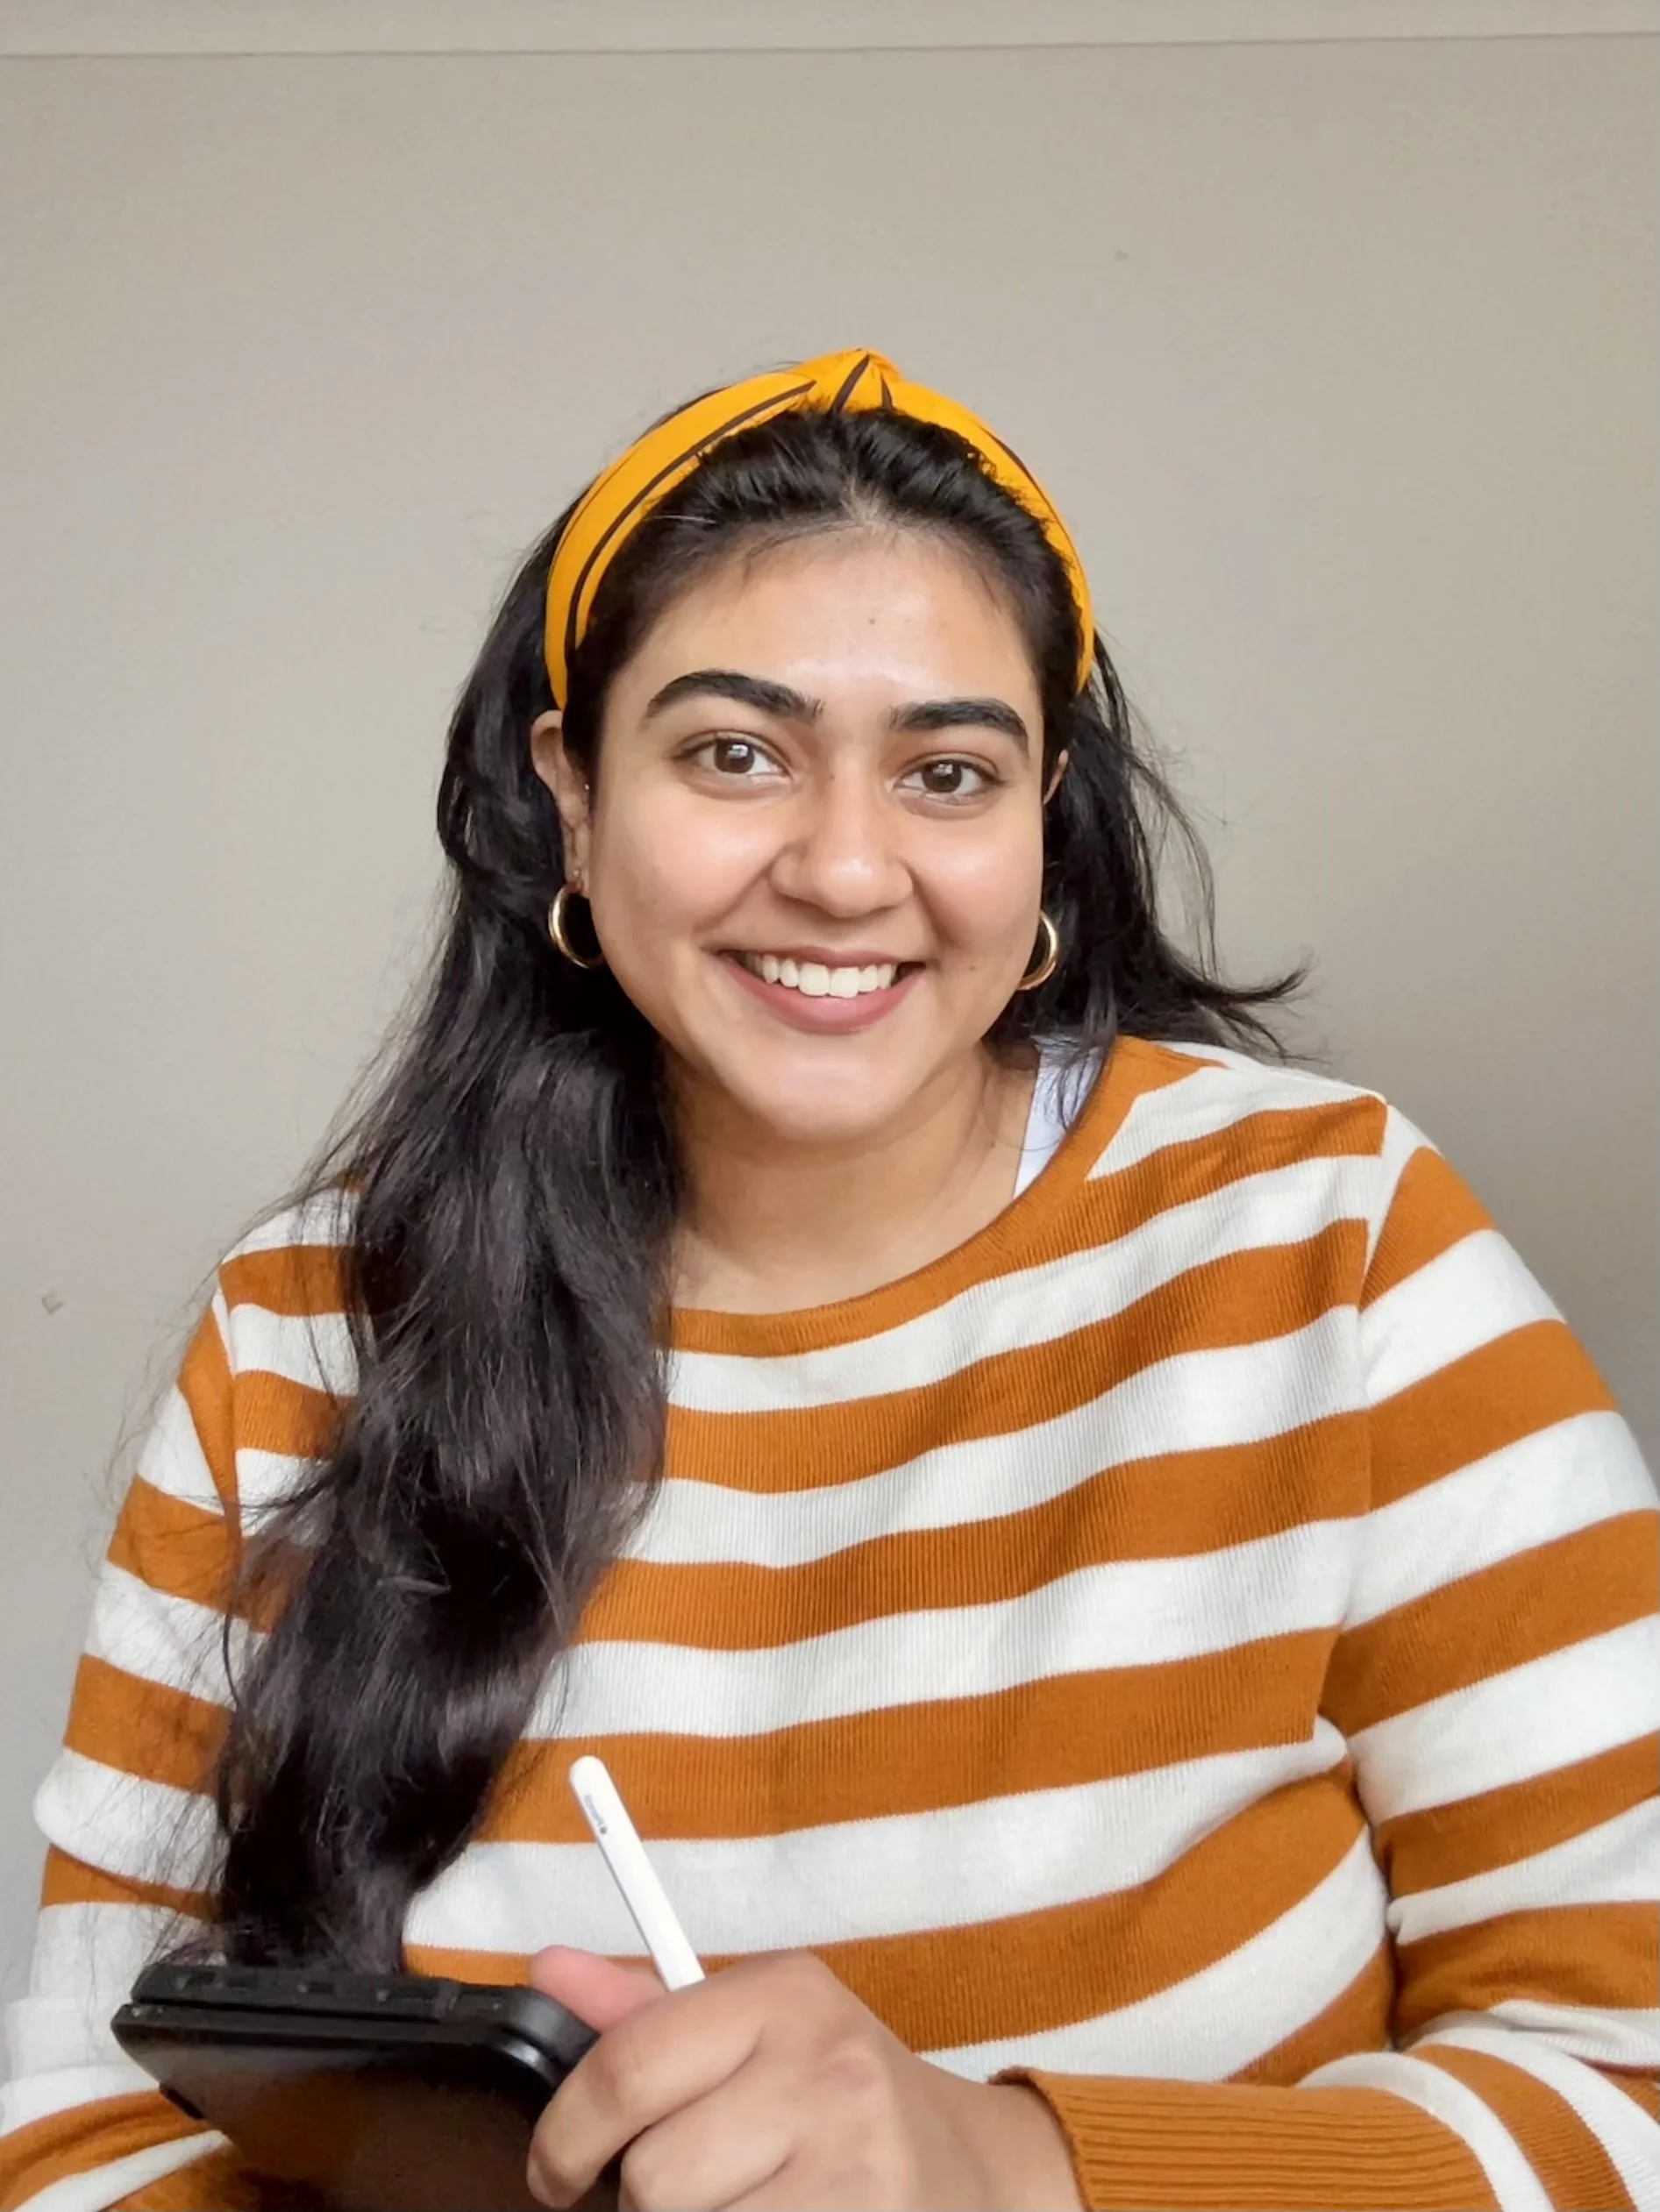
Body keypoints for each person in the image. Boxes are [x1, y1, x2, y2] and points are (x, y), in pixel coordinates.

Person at [1, 347, 1655, 2212]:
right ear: (571, 794)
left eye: (947, 771)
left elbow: (1632, 2087)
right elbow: (82, 2125)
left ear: (1043, 823)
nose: (847, 866)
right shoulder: (304, 1330)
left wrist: (1009, 2163)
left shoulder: (1329, 1242)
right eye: (733, 753)